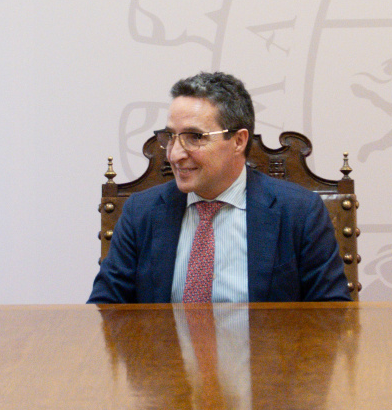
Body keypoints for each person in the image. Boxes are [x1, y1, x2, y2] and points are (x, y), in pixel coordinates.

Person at [89, 71, 350, 304]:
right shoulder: (141, 212)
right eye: (170, 137)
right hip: (164, 357)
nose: (175, 154)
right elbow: (105, 311)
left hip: (265, 358)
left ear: (238, 141)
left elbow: (332, 316)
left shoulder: (299, 212)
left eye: (194, 137)